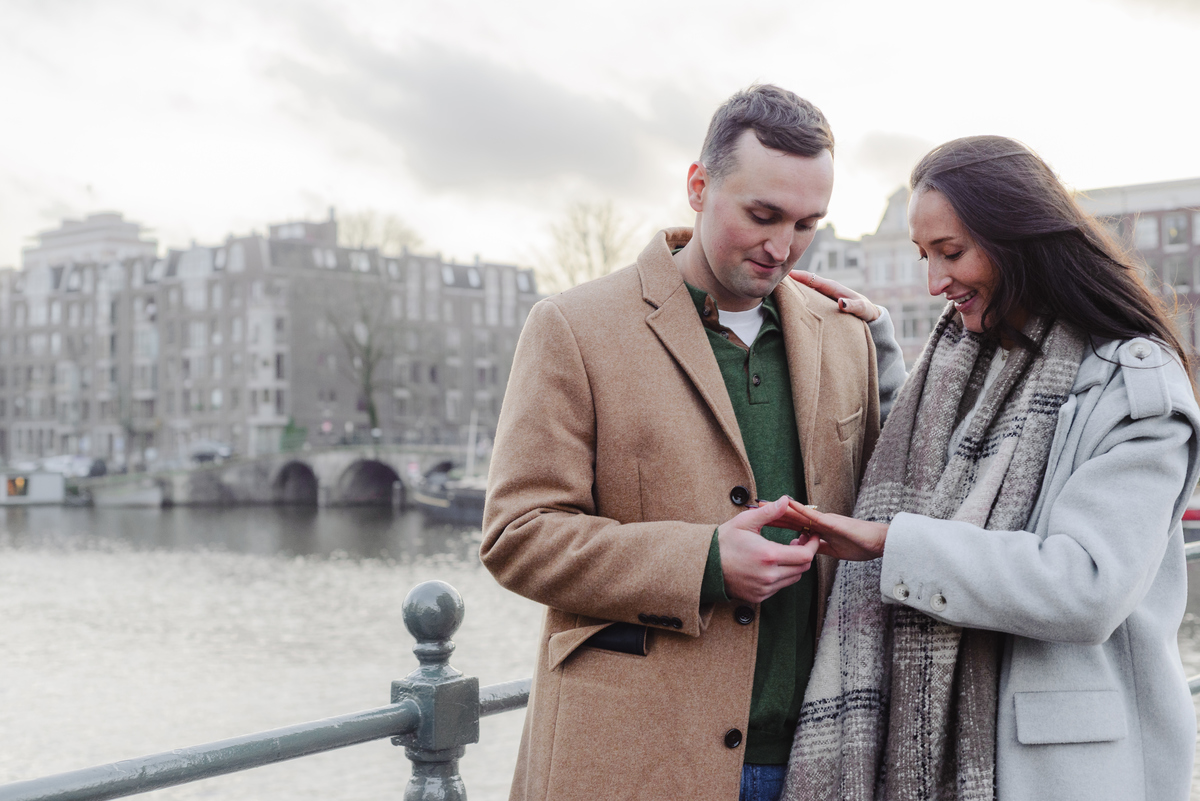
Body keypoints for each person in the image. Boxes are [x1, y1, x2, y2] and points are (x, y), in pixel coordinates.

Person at [480, 85, 904, 801]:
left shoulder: (848, 336)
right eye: (762, 214)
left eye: (807, 224)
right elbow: (517, 536)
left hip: (818, 761)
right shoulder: (572, 327)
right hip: (634, 761)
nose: (782, 246)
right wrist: (704, 561)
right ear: (698, 187)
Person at [781, 135, 1200, 801]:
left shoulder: (1134, 389)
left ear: (1020, 239)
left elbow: (1086, 585)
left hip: (1069, 773)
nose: (934, 282)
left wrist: (894, 544)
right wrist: (875, 344)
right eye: (925, 256)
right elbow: (935, 465)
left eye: (951, 253)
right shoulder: (972, 359)